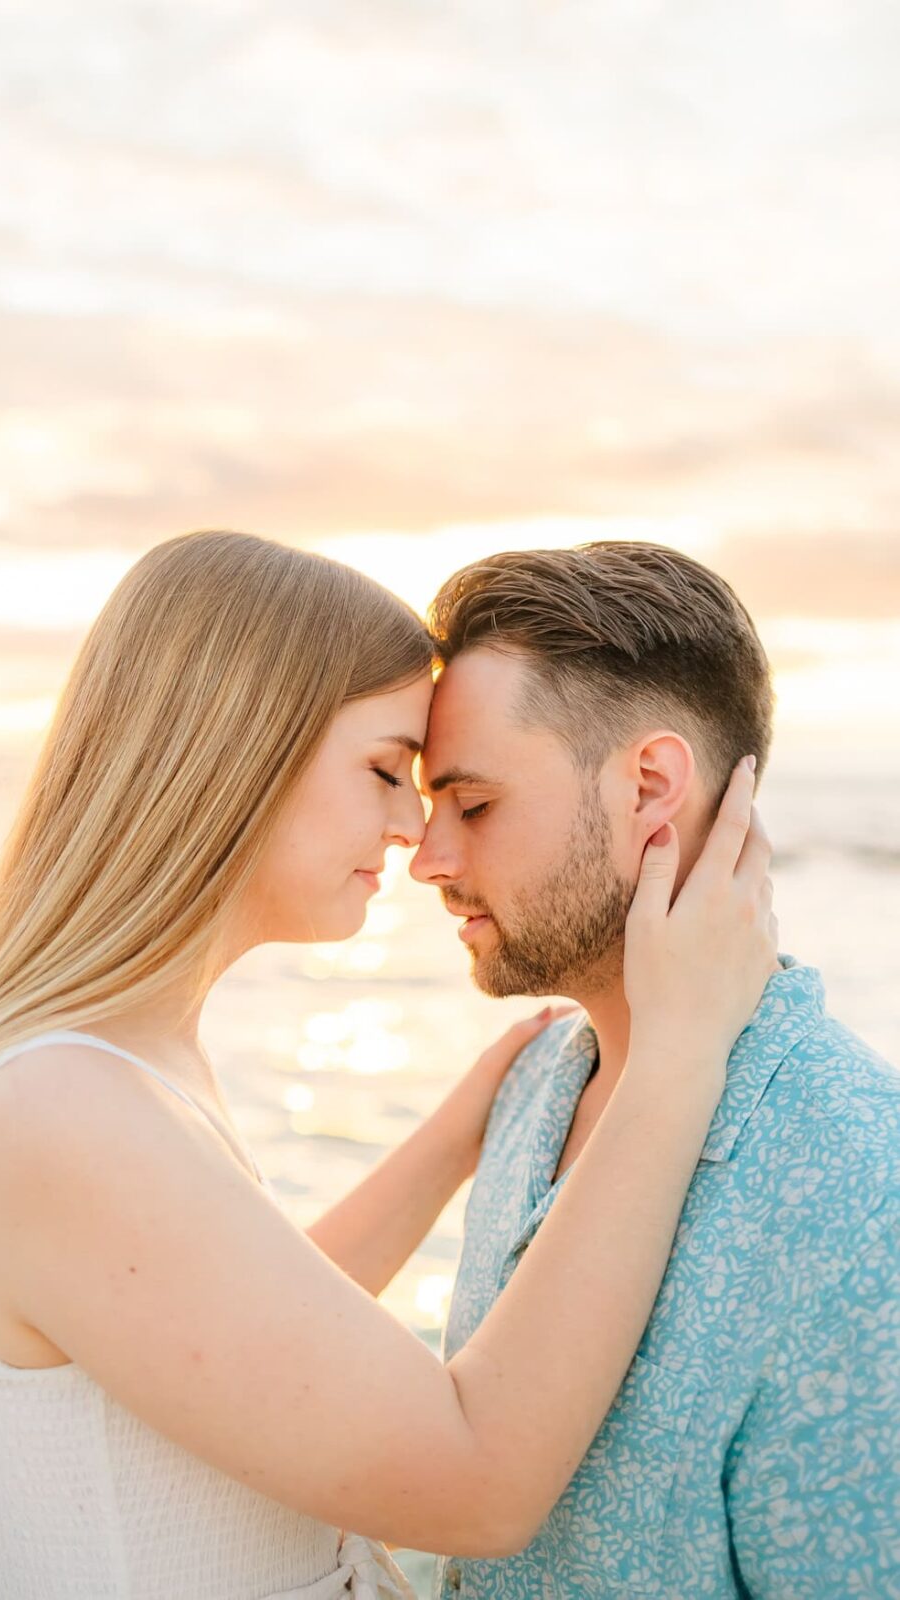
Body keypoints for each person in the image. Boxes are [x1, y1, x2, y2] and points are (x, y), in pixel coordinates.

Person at [0, 531, 775, 1600]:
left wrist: (450, 1140)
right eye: (388, 770)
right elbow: (475, 1484)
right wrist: (676, 1052)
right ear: (235, 751)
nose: (410, 831)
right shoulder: (57, 1106)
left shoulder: (110, 1064)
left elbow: (242, 1330)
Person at [414, 541, 900, 1600]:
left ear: (647, 786)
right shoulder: (535, 1089)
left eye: (475, 804)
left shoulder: (863, 1189)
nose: (429, 858)